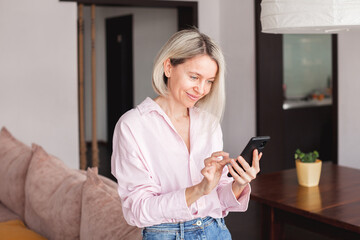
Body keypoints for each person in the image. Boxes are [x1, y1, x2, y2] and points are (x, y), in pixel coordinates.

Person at [111, 28, 262, 240]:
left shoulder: (208, 123)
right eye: (194, 77)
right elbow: (137, 210)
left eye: (209, 81)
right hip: (166, 235)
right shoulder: (133, 126)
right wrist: (199, 189)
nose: (201, 89)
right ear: (168, 67)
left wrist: (239, 183)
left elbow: (218, 198)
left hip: (216, 230)